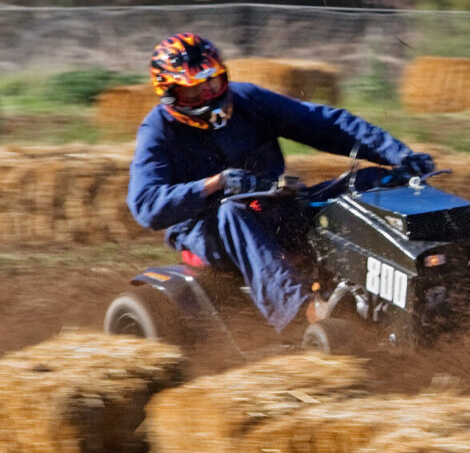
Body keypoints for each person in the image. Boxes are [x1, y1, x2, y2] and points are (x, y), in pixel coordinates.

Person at [127, 32, 436, 332]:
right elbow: (145, 204)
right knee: (232, 212)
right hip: (207, 229)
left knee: (369, 181)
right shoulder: (157, 131)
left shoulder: (248, 99)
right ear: (169, 95)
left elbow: (325, 124)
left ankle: (428, 271)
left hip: (276, 204)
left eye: (213, 83)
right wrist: (215, 184)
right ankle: (305, 311)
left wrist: (400, 157)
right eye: (193, 92)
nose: (207, 95)